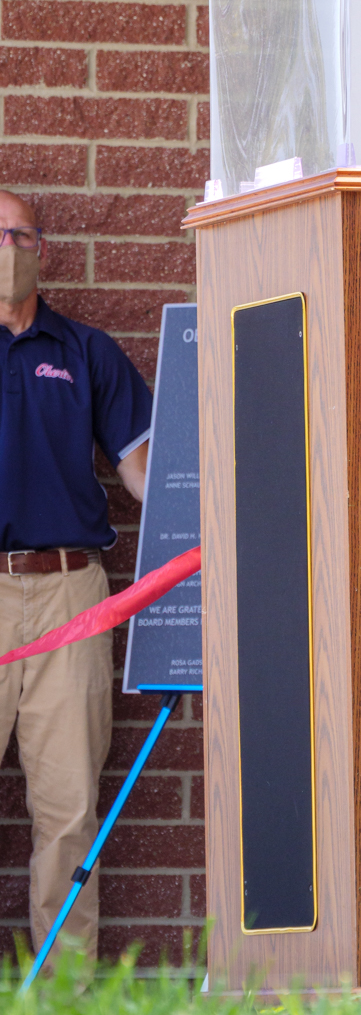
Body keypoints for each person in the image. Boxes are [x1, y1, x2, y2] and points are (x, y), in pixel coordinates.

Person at [0, 190, 152, 961]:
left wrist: (206, 508)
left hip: (70, 598)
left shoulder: (86, 350)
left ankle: (62, 997)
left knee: (66, 813)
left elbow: (142, 471)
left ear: (43, 250)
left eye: (19, 234)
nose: (7, 246)